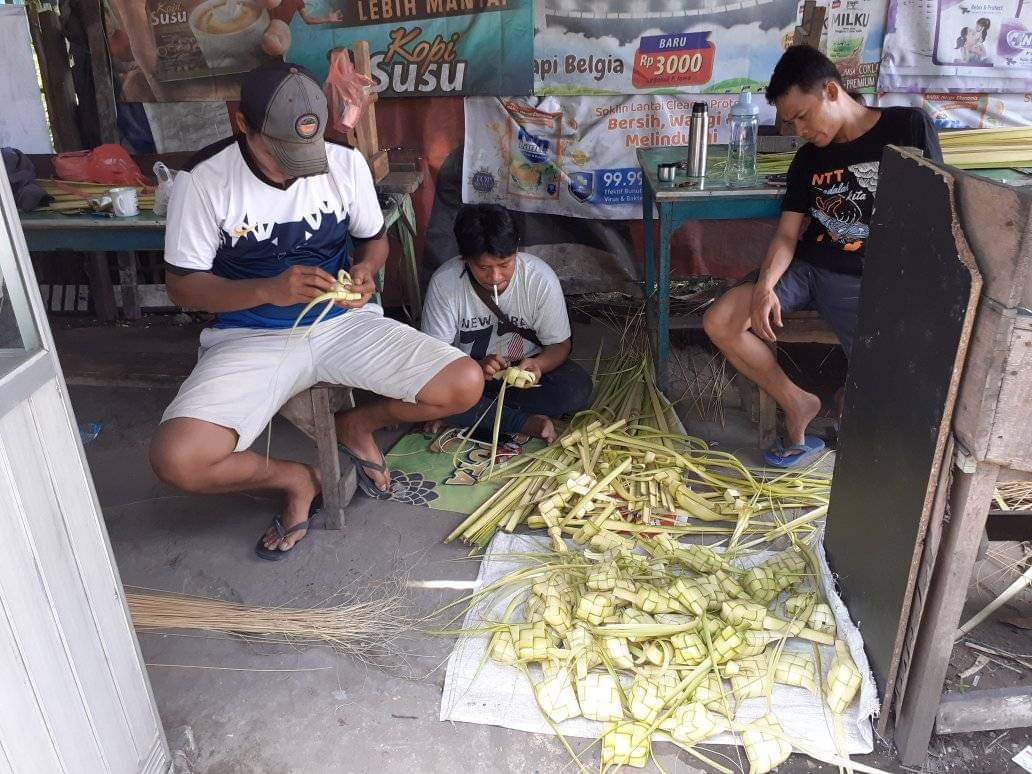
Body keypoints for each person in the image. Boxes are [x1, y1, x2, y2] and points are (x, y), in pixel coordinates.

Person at [150, 62, 482, 559]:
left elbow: (374, 241)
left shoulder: (342, 162)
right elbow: (183, 287)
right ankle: (296, 480)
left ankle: (358, 425)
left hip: (342, 323)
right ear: (243, 124)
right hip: (250, 335)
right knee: (178, 460)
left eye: (305, 151)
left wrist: (366, 272)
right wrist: (265, 291)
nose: (295, 166)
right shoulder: (203, 182)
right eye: (280, 152)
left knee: (465, 383)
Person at [703, 45, 942, 468]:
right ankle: (797, 403)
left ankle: (851, 399)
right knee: (720, 321)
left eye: (802, 116)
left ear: (831, 90)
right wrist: (765, 287)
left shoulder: (907, 126)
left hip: (870, 281)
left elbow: (938, 213)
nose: (798, 129)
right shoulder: (809, 159)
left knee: (887, 398)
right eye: (790, 121)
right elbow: (787, 234)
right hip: (810, 270)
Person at [421, 204, 593, 443]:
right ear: (464, 258)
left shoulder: (539, 279)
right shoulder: (445, 284)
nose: (495, 278)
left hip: (522, 380)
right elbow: (434, 360)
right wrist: (475, 369)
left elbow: (559, 345)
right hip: (467, 380)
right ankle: (523, 422)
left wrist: (539, 365)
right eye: (483, 268)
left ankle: (465, 414)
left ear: (516, 250)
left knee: (576, 390)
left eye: (505, 264)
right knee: (426, 390)